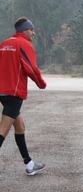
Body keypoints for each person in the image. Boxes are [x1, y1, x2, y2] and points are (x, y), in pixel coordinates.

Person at [0, 17, 47, 179]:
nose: (33, 32)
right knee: (3, 131)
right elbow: (31, 68)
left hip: (3, 92)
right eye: (31, 29)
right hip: (14, 93)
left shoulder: (4, 43)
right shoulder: (24, 44)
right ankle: (29, 165)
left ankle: (29, 164)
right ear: (24, 30)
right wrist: (41, 83)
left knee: (20, 127)